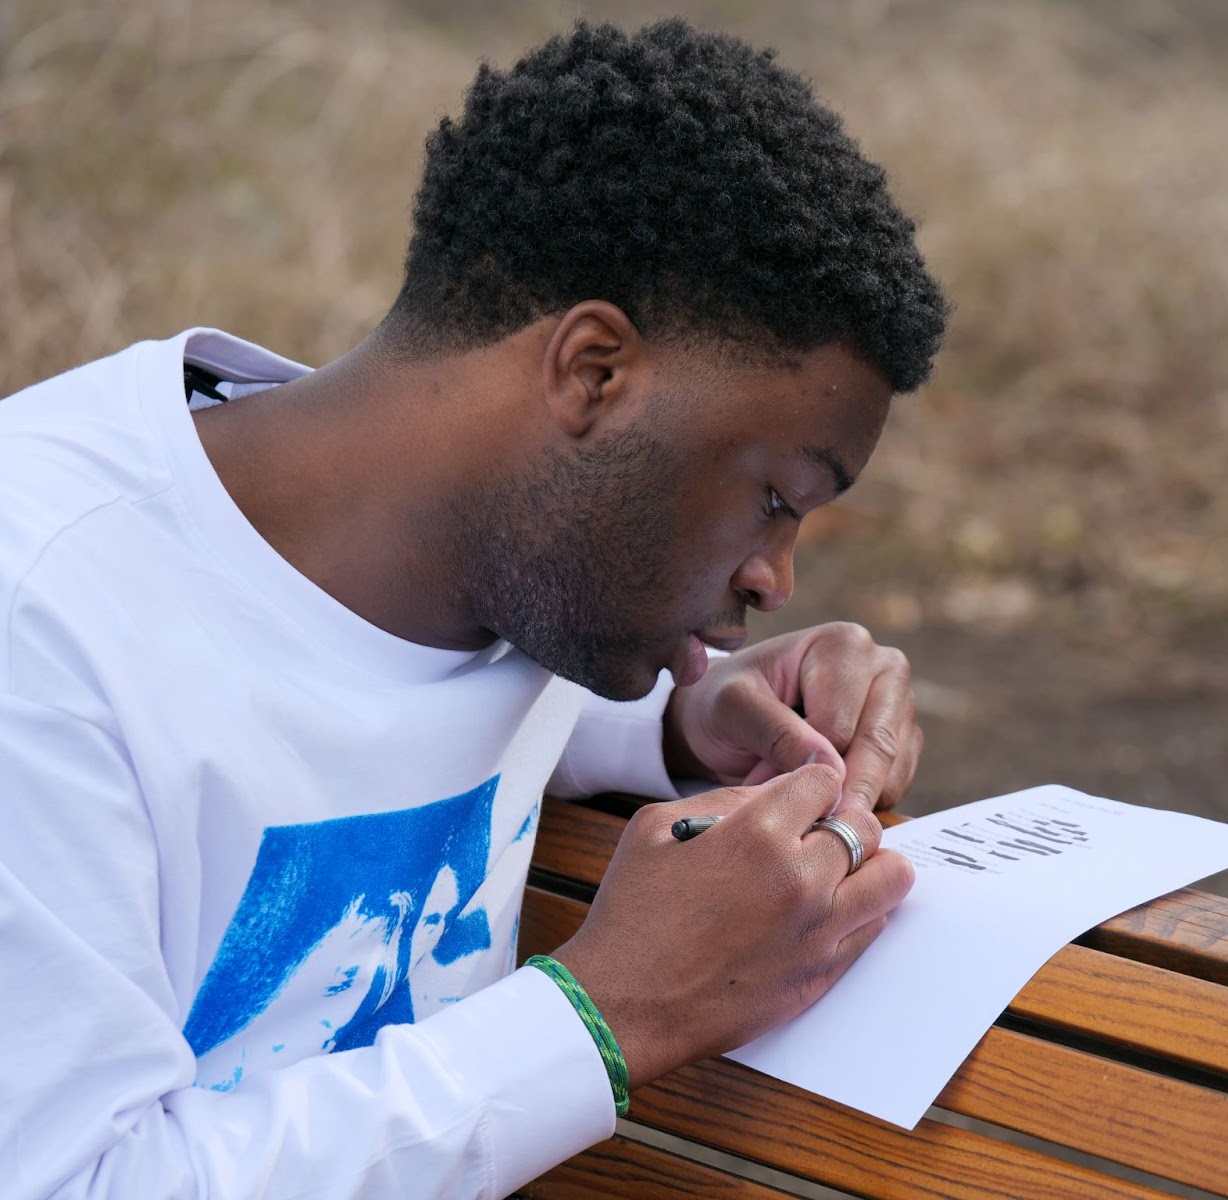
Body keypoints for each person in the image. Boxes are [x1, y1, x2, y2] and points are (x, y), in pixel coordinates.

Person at [0, 17, 949, 1200]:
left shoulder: (445, 557)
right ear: (591, 371)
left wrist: (672, 720)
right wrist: (607, 1017)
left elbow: (338, 688)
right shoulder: (39, 616)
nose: (775, 580)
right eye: (773, 497)